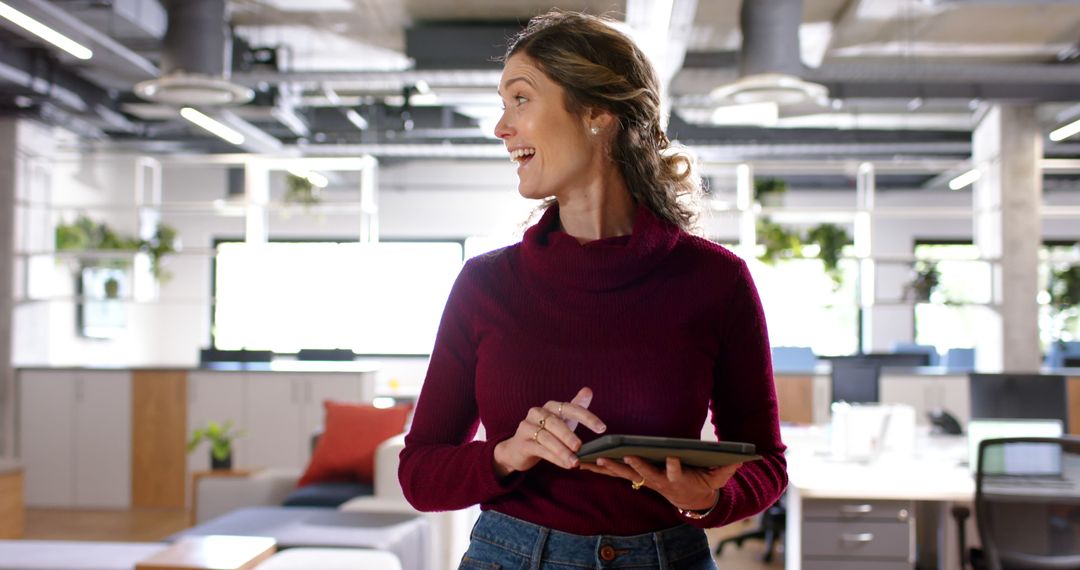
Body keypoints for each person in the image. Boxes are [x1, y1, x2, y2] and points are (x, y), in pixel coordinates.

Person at [398, 10, 787, 570]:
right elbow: (420, 475)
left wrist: (709, 499)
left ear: (598, 113)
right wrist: (508, 454)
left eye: (520, 99)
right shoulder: (485, 285)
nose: (500, 127)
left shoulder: (715, 280)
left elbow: (766, 462)